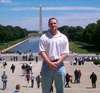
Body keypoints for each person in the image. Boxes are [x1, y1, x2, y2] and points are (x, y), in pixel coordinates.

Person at [39, 17, 69, 93]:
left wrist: (58, 62)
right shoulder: (43, 37)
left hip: (60, 65)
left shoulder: (63, 37)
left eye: (54, 23)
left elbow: (66, 52)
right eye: (51, 23)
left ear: (57, 24)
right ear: (48, 25)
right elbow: (42, 51)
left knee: (60, 90)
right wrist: (49, 63)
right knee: (45, 90)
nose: (53, 25)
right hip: (47, 65)